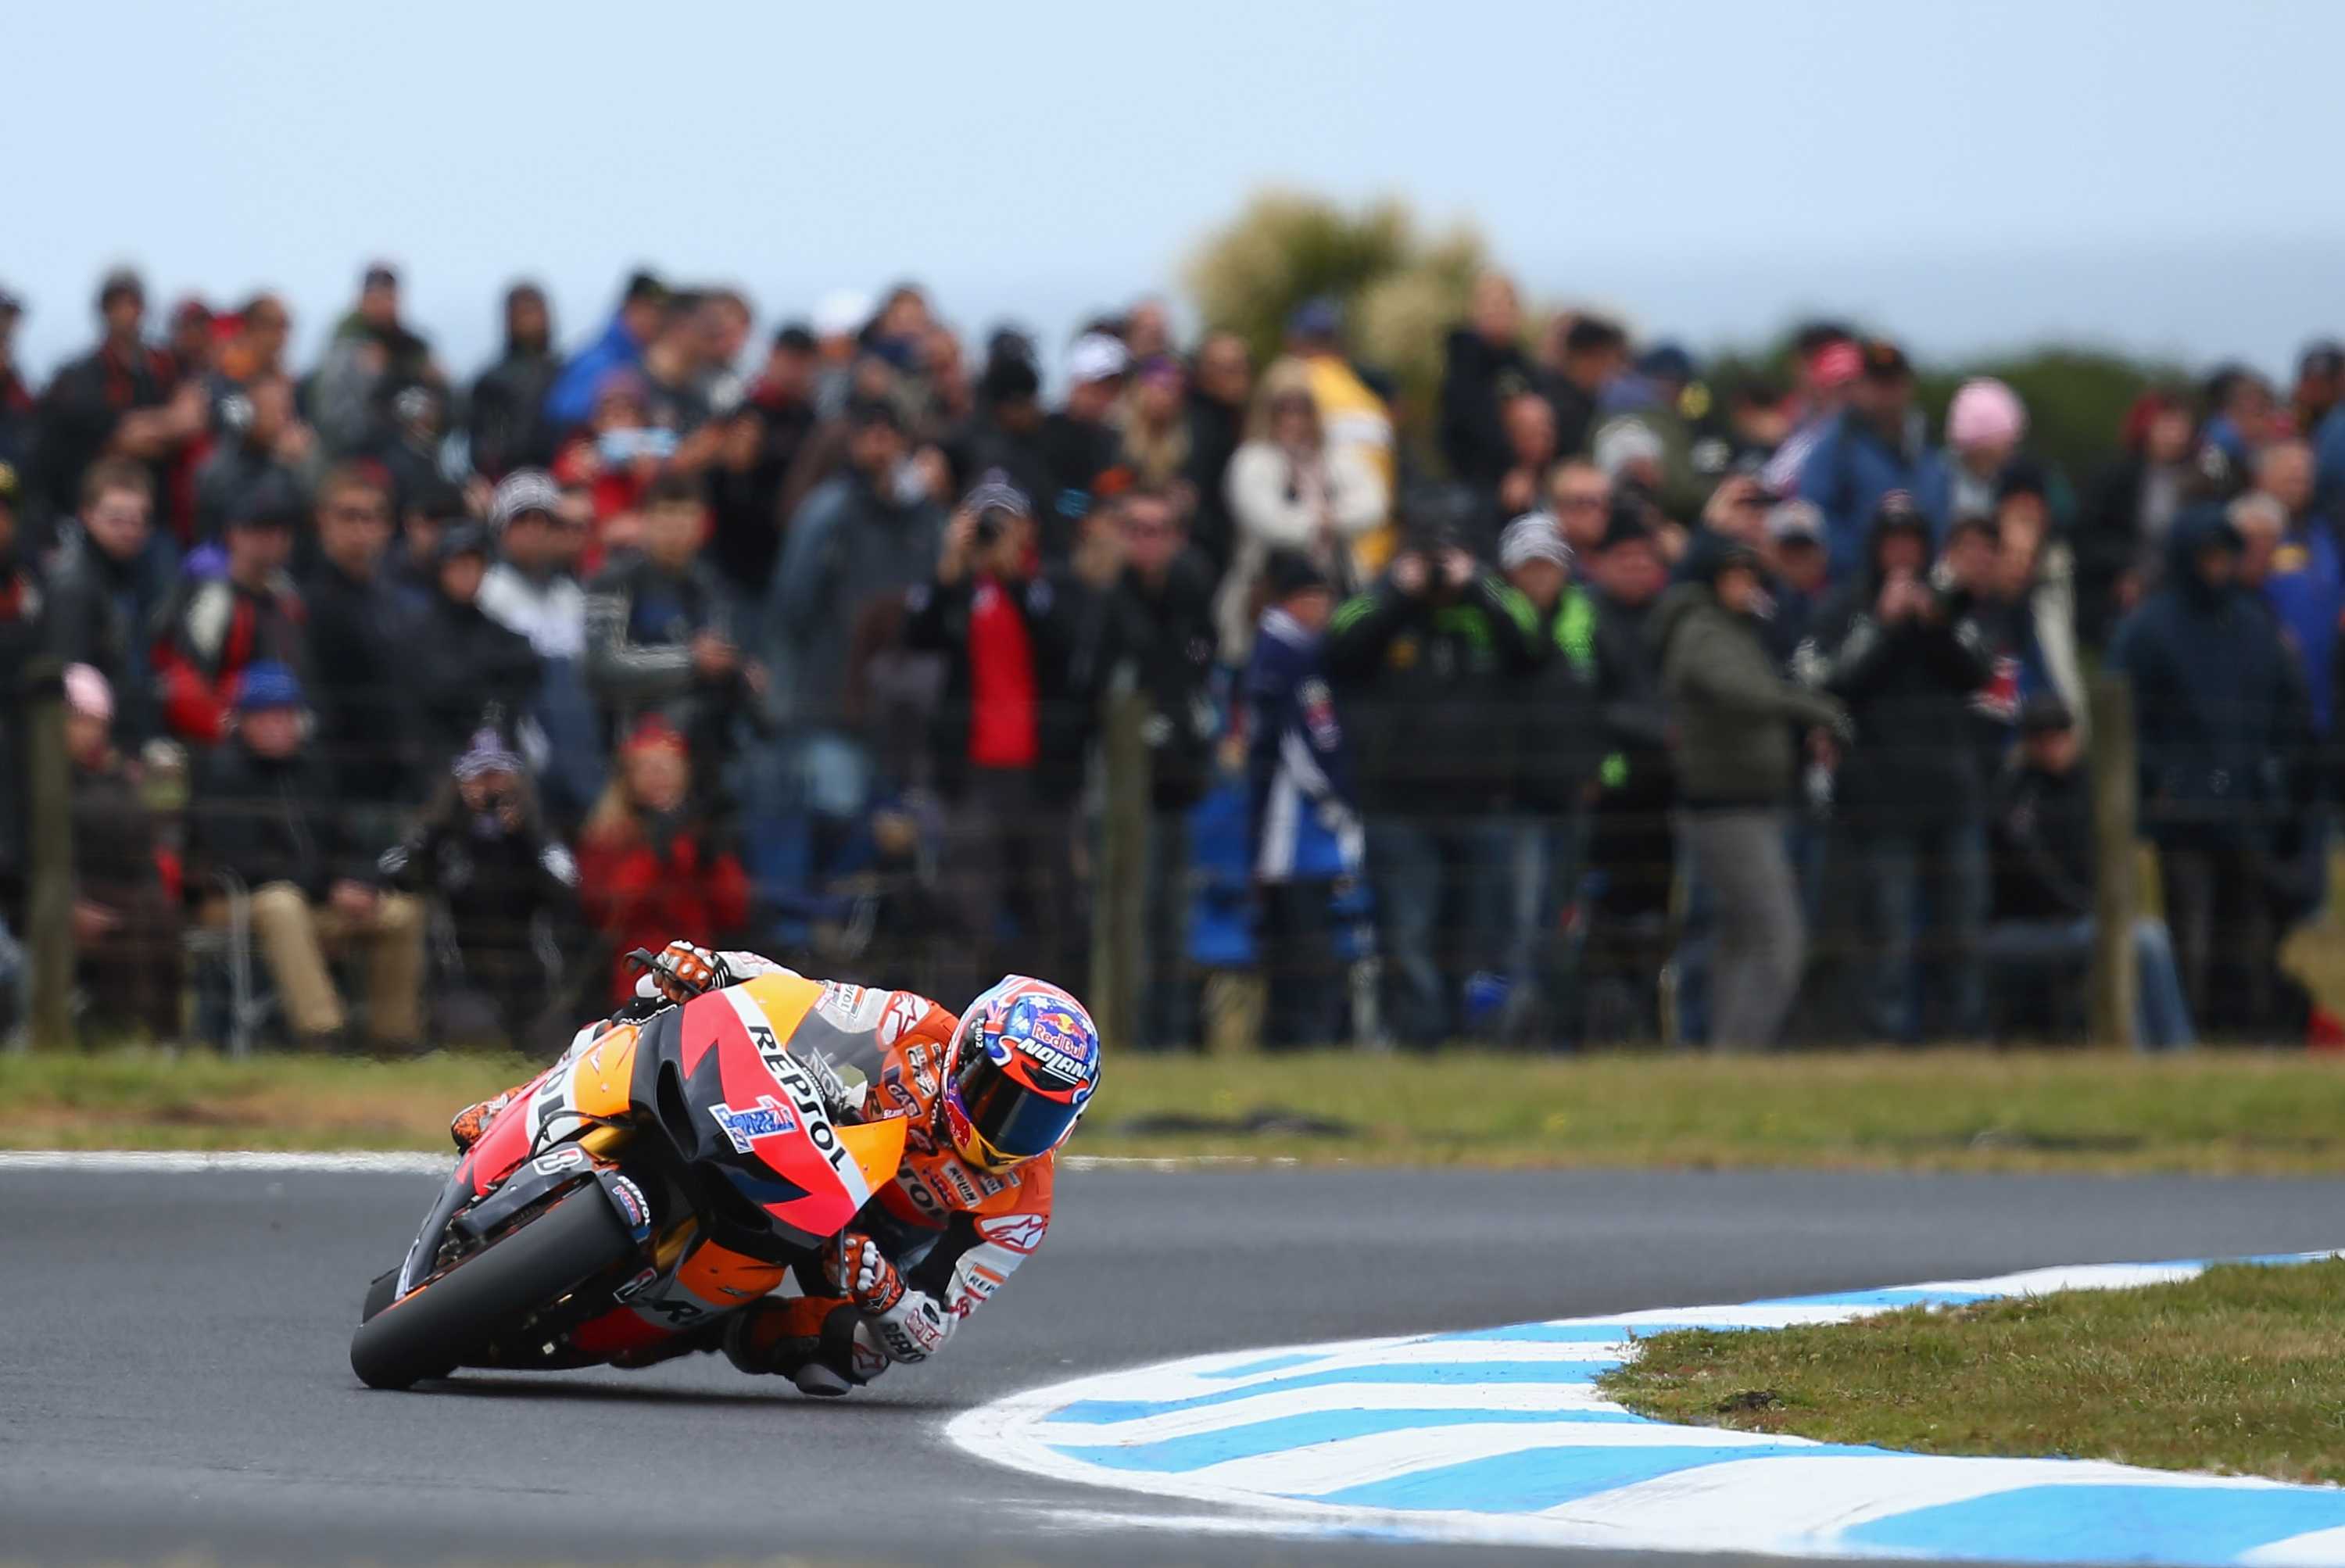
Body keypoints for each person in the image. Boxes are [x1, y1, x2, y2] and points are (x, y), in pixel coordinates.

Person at [447, 943, 1099, 1398]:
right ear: (966, 1055)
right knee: (659, 1004)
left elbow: (933, 1328)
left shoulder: (1021, 1208)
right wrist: (718, 968)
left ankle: (717, 1327)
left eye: (1035, 1119)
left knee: (858, 1352)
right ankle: (521, 1105)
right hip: (802, 1141)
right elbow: (796, 994)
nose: (1005, 1126)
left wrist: (887, 1293)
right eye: (997, 1095)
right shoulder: (913, 1025)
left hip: (851, 1241)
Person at [1323, 519, 1543, 1046]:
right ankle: (1419, 1039)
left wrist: (1477, 585)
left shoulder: (1490, 601)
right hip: (1398, 804)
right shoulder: (1380, 601)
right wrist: (1400, 594)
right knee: (1408, 934)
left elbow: (1532, 642)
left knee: (1479, 932)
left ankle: (1476, 1038)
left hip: (1483, 801)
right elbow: (1339, 645)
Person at [904, 475, 1103, 1009]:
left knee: (1049, 909)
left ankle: (1053, 1026)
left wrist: (1015, 578)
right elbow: (917, 634)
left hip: (1042, 780)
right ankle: (952, 1028)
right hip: (972, 776)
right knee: (963, 911)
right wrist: (953, 563)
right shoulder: (957, 590)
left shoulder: (1053, 586)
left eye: (1004, 522)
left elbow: (1066, 648)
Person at [2110, 506, 2308, 1038]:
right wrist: (2162, 784)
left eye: (2225, 557)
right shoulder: (2149, 630)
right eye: (2207, 557)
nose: (2217, 568)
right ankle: (2188, 1035)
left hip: (2246, 811)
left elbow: (2289, 707)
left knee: (2247, 936)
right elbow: (2121, 717)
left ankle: (2247, 1033)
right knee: (2188, 939)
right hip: (2183, 819)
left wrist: (2272, 774)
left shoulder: (2252, 625)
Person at [1806, 493, 1992, 1042]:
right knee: (1889, 931)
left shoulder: (1953, 607)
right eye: (1893, 542)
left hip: (1952, 796)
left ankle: (1963, 1037)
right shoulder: (1846, 607)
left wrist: (1936, 621)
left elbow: (1978, 672)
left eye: (1913, 541)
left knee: (1962, 930)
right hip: (1881, 802)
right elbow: (1832, 682)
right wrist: (1883, 625)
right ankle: (1886, 1038)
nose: (1903, 553)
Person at [1655, 534, 1848, 1050]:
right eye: (1736, 576)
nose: (1748, 587)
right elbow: (1741, 691)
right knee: (1779, 939)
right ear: (1714, 582)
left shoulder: (1737, 630)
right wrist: (1815, 709)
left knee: (1742, 940)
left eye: (1751, 576)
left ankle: (1731, 1052)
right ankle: (1742, 1047)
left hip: (1749, 803)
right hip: (1725, 808)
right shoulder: (1702, 631)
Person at [187, 661, 424, 1051]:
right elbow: (242, 864)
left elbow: (349, 841)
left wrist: (362, 882)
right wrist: (330, 887)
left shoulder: (315, 770)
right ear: (242, 722)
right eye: (266, 718)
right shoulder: (220, 774)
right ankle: (321, 1033)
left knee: (402, 912)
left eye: (286, 716)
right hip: (232, 903)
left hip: (314, 900)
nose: (278, 727)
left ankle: (393, 1037)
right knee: (281, 903)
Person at [1982, 696, 2193, 1050]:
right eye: (2042, 737)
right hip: (2031, 927)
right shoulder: (2016, 797)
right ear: (2028, 742)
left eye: (2060, 735)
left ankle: (2176, 1051)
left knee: (2150, 938)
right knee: (2136, 943)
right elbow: (2035, 879)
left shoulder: (2094, 788)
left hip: (2086, 920)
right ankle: (2136, 1051)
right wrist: (2091, 909)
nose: (2053, 746)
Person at [1100, 487, 1219, 1049]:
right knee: (1130, 916)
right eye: (1138, 530)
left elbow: (1202, 679)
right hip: (1123, 792)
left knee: (1176, 918)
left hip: (1182, 785)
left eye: (1159, 530)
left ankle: (1172, 1037)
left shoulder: (1194, 596)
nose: (1149, 543)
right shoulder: (1107, 603)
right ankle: (1130, 1034)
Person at [381, 729, 578, 1048]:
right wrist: (439, 830)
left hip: (532, 978)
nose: (490, 788)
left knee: (550, 1046)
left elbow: (567, 885)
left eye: (498, 776)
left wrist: (525, 837)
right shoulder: (444, 831)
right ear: (461, 782)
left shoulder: (537, 829)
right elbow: (394, 871)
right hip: (460, 976)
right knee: (475, 1037)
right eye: (479, 777)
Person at [1244, 550, 1357, 1048]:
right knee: (1301, 933)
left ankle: (1303, 1032)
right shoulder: (1287, 654)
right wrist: (1338, 799)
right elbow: (1302, 741)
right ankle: (1299, 1034)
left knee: (1304, 934)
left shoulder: (1300, 651)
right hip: (1291, 827)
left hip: (1298, 826)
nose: (1321, 608)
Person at [1497, 512, 1601, 1044]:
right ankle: (1517, 1030)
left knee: (1565, 919)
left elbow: (1604, 704)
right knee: (1522, 921)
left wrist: (1598, 769)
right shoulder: (1496, 625)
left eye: (1549, 566)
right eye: (1529, 566)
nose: (1540, 577)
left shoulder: (1586, 622)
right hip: (1517, 802)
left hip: (1573, 795)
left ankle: (1558, 1031)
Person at [1217, 364, 1387, 661]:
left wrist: (1327, 519)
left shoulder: (1335, 458)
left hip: (1334, 587)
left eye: (1303, 409)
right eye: (1284, 409)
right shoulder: (1253, 460)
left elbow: (1374, 505)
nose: (1294, 419)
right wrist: (1324, 520)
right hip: (1270, 594)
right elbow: (1271, 523)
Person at [575, 717, 750, 1004]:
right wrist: (653, 854)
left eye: (668, 766)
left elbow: (734, 914)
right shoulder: (607, 834)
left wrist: (714, 860)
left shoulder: (699, 831)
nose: (659, 775)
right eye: (646, 767)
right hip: (634, 982)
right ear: (626, 778)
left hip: (700, 982)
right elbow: (607, 913)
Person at [28, 267, 205, 542]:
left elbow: (191, 419)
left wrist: (151, 428)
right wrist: (167, 426)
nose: (126, 313)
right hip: (98, 518)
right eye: (117, 304)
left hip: (157, 517)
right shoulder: (83, 374)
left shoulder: (162, 366)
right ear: (104, 310)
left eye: (132, 303)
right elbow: (128, 437)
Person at [63, 665, 182, 1040]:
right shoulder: (39, 778)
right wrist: (69, 905)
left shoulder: (123, 777)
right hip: (71, 898)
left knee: (158, 920)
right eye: (80, 721)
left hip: (127, 895)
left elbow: (145, 847)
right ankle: (116, 1035)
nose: (90, 733)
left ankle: (163, 1041)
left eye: (98, 722)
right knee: (130, 927)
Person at [478, 469, 602, 828]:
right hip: (520, 756)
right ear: (502, 529)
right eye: (522, 520)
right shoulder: (488, 593)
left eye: (543, 520)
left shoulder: (573, 596)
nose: (534, 530)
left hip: (579, 750)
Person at [154, 473, 309, 746]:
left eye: (283, 530)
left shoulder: (288, 597)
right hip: (218, 748)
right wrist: (231, 730)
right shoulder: (212, 598)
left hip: (283, 743)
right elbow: (182, 680)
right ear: (233, 533)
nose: (274, 540)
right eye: (262, 529)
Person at [301, 465, 418, 810]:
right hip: (335, 781)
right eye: (349, 516)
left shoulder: (397, 602)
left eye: (372, 518)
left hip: (398, 777)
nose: (361, 529)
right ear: (323, 520)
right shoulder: (304, 602)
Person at [42, 457, 177, 745]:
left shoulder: (131, 574)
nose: (129, 530)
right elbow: (71, 681)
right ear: (86, 515)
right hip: (94, 742)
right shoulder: (72, 584)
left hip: (127, 726)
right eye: (116, 518)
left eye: (138, 519)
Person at [1796, 339, 1947, 578]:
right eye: (1877, 382)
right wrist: (1870, 564)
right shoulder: (1833, 448)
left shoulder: (1928, 445)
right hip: (1853, 588)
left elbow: (1943, 513)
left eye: (1893, 382)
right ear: (1859, 386)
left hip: (1923, 585)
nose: (1886, 393)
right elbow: (1814, 520)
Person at [411, 520, 540, 771]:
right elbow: (440, 688)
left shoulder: (495, 631)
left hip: (499, 758)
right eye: (457, 566)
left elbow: (529, 663)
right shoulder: (420, 631)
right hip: (440, 758)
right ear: (441, 571)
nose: (467, 574)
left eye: (474, 565)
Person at [1439, 272, 1534, 493]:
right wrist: (1510, 468)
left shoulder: (1521, 364)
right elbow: (1473, 417)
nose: (1497, 313)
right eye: (1490, 305)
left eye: (1505, 305)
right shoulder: (1464, 359)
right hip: (1473, 483)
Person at [467, 281, 562, 480]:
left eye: (538, 311)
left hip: (561, 477)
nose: (534, 320)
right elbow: (483, 447)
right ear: (509, 319)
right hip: (512, 479)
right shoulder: (492, 381)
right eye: (525, 313)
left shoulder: (565, 372)